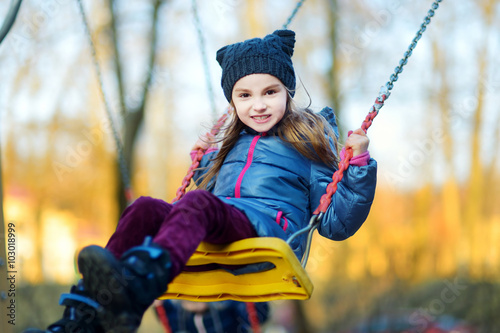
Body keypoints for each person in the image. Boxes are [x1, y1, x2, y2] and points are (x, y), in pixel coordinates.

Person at [25, 29, 376, 333]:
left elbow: (335, 222)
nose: (258, 105)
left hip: (270, 234)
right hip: (225, 228)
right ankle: (85, 312)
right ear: (233, 101)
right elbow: (207, 205)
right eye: (245, 95)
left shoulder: (308, 141)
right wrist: (203, 165)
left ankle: (141, 283)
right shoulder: (228, 145)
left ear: (287, 91)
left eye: (270, 92)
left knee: (198, 205)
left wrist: (358, 164)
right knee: (145, 208)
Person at [155, 300, 269, 332]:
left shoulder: (228, 309)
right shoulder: (182, 318)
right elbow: (169, 320)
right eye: (187, 299)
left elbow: (256, 318)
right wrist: (159, 304)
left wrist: (255, 299)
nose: (194, 301)